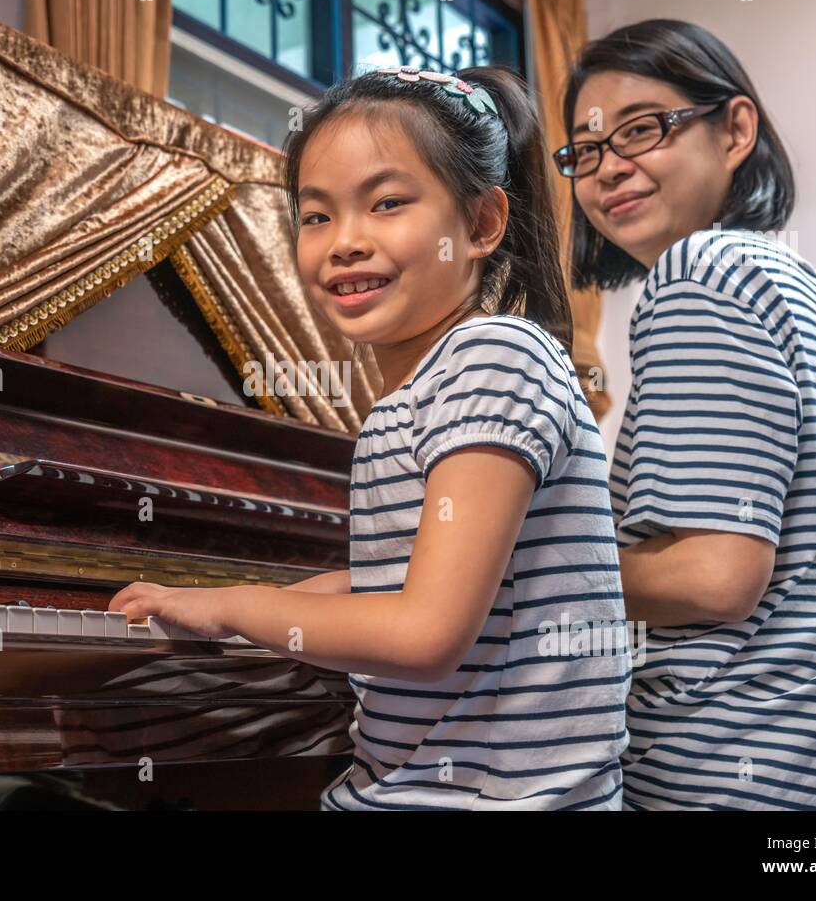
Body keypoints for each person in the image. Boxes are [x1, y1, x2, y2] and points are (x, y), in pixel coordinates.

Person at [111, 63, 631, 809]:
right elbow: (397, 580)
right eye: (317, 216)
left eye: (386, 203)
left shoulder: (493, 357)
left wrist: (234, 608)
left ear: (482, 224)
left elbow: (425, 632)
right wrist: (237, 601)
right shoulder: (414, 396)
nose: (344, 242)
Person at [556, 18, 816, 808]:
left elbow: (714, 577)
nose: (607, 170)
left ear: (735, 129)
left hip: (750, 774)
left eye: (641, 129)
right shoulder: (811, 293)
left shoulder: (702, 271)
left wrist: (512, 572)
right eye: (585, 152)